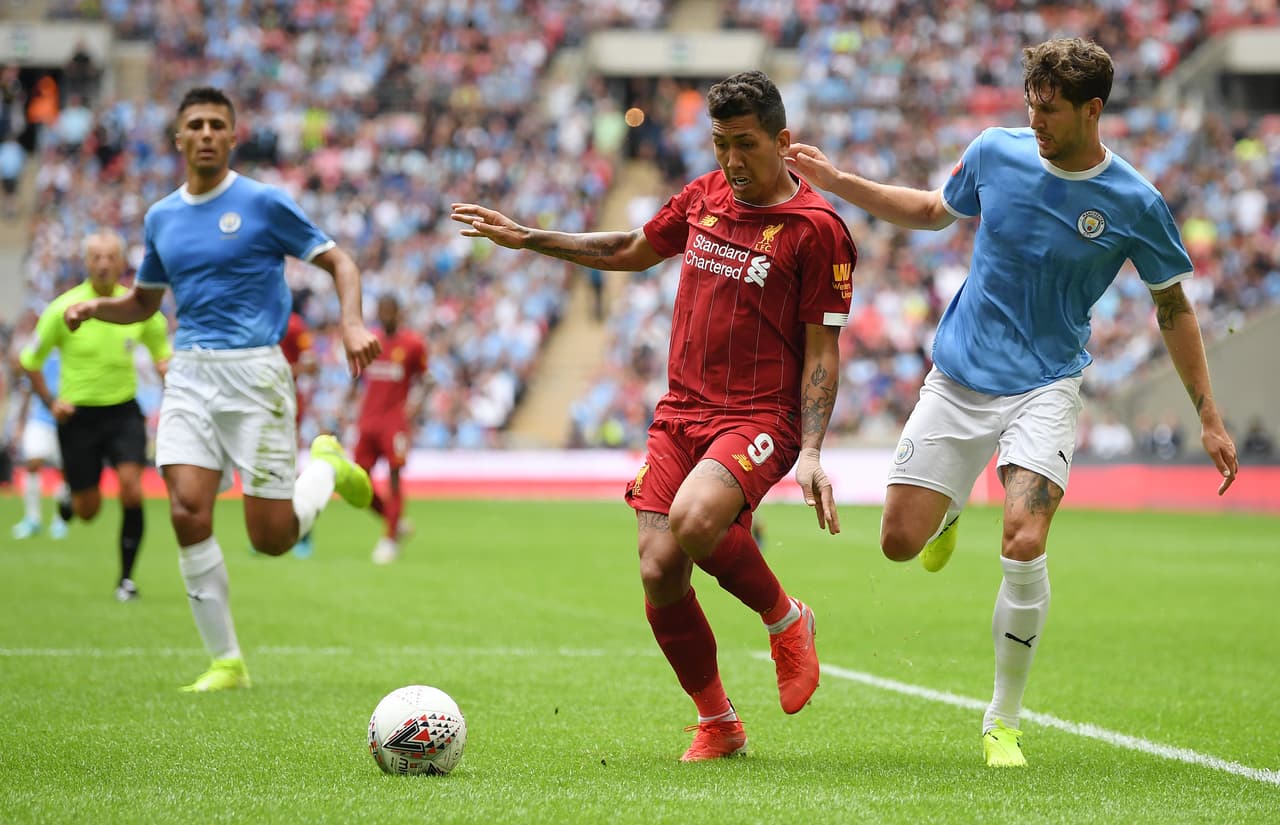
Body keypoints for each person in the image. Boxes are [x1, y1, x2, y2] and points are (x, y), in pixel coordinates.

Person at [785, 37, 1239, 767]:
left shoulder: (1135, 202)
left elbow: (1174, 308)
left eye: (1051, 110)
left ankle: (1003, 719)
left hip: (1046, 385)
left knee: (1024, 539)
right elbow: (934, 209)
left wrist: (1209, 416)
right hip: (960, 376)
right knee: (899, 542)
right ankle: (953, 506)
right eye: (1030, 104)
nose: (1035, 120)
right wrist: (840, 180)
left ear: (1093, 111)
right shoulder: (997, 152)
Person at [452, 70, 858, 761]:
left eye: (747, 145)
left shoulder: (817, 232)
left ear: (785, 143)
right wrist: (528, 238)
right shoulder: (704, 195)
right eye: (721, 144)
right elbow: (631, 250)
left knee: (696, 520)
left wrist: (813, 451)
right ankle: (719, 720)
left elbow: (824, 348)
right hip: (680, 412)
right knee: (658, 567)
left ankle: (787, 619)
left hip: (759, 416)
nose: (732, 161)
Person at [64, 87, 381, 692]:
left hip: (256, 374)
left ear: (233, 137)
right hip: (189, 372)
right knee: (186, 507)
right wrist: (98, 309)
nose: (206, 133)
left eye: (217, 124)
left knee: (271, 538)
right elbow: (145, 303)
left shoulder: (262, 204)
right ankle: (226, 661)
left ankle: (324, 470)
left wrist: (352, 321)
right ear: (179, 138)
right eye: (196, 125)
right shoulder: (161, 217)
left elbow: (340, 261)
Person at [20, 230, 171, 601]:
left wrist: (172, 372)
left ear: (122, 263)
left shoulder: (139, 309)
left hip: (123, 412)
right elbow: (30, 361)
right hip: (79, 417)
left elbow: (162, 355)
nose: (103, 263)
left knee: (132, 487)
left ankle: (126, 579)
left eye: (110, 257)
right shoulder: (62, 309)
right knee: (88, 511)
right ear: (86, 263)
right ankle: (71, 494)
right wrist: (52, 402)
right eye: (96, 257)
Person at [349, 293, 428, 565]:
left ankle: (390, 539)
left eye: (389, 311)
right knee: (358, 482)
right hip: (368, 421)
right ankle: (394, 521)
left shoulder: (413, 344)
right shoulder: (371, 342)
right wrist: (349, 401)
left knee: (394, 479)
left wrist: (415, 406)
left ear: (398, 313)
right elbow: (357, 376)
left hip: (394, 424)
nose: (385, 316)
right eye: (381, 311)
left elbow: (427, 379)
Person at [9, 352, 70, 542]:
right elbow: (28, 389)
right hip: (41, 420)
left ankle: (60, 519)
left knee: (65, 472)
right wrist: (20, 423)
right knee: (32, 463)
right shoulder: (41, 355)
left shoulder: (72, 355)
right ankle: (32, 518)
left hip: (66, 422)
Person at [279, 290, 318, 558]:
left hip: (287, 404)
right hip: (260, 405)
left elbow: (312, 364)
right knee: (265, 468)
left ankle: (303, 532)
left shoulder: (293, 324)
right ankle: (271, 532)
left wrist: (281, 371)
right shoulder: (258, 319)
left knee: (289, 466)